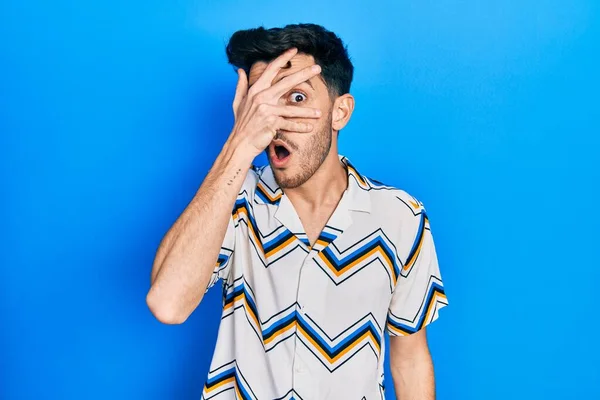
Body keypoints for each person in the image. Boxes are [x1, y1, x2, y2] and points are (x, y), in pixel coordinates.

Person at [146, 23, 448, 400]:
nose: (276, 121)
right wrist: (239, 144)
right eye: (264, 102)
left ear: (340, 112)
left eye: (297, 98)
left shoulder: (401, 216)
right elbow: (167, 303)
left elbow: (409, 357)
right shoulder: (232, 197)